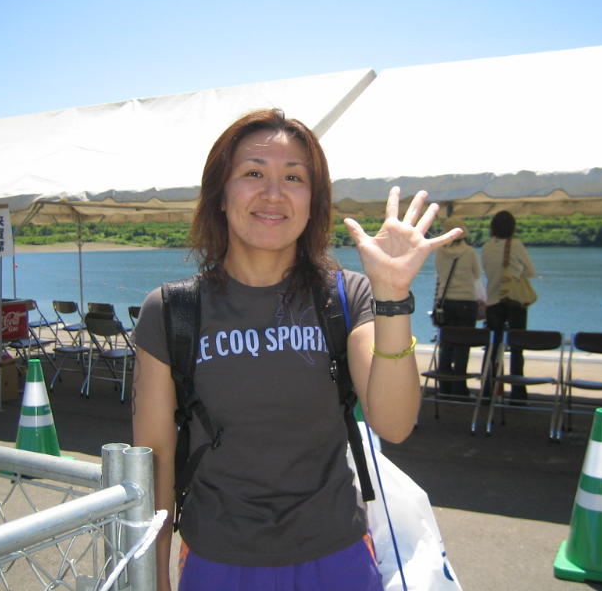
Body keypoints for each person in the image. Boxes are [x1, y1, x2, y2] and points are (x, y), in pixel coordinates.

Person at [131, 109, 461, 591]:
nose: (273, 193)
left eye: (293, 177)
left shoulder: (345, 297)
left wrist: (391, 297)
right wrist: (154, 579)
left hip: (338, 557)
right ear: (220, 194)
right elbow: (156, 460)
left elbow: (394, 422)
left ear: (313, 201)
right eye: (253, 173)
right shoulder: (171, 311)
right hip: (218, 561)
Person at [481, 210, 536, 401]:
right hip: (514, 301)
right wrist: (516, 273)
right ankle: (518, 393)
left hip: (492, 301)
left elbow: (487, 270)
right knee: (517, 347)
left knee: (492, 348)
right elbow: (531, 271)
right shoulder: (516, 245)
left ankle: (487, 390)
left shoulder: (486, 247)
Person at [434, 216, 480, 397]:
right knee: (463, 345)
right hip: (466, 301)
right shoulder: (469, 252)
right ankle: (460, 389)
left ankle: (444, 387)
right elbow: (477, 274)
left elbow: (439, 273)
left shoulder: (439, 252)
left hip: (445, 302)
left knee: (446, 344)